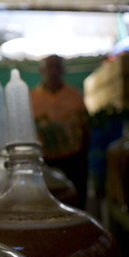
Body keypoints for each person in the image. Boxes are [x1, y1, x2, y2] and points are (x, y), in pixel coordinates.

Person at [30, 55, 90, 209]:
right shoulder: (32, 97)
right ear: (42, 70)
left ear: (63, 70)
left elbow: (85, 125)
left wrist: (83, 153)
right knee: (47, 203)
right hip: (44, 161)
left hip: (73, 159)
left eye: (57, 66)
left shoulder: (75, 95)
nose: (53, 71)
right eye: (50, 67)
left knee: (77, 199)